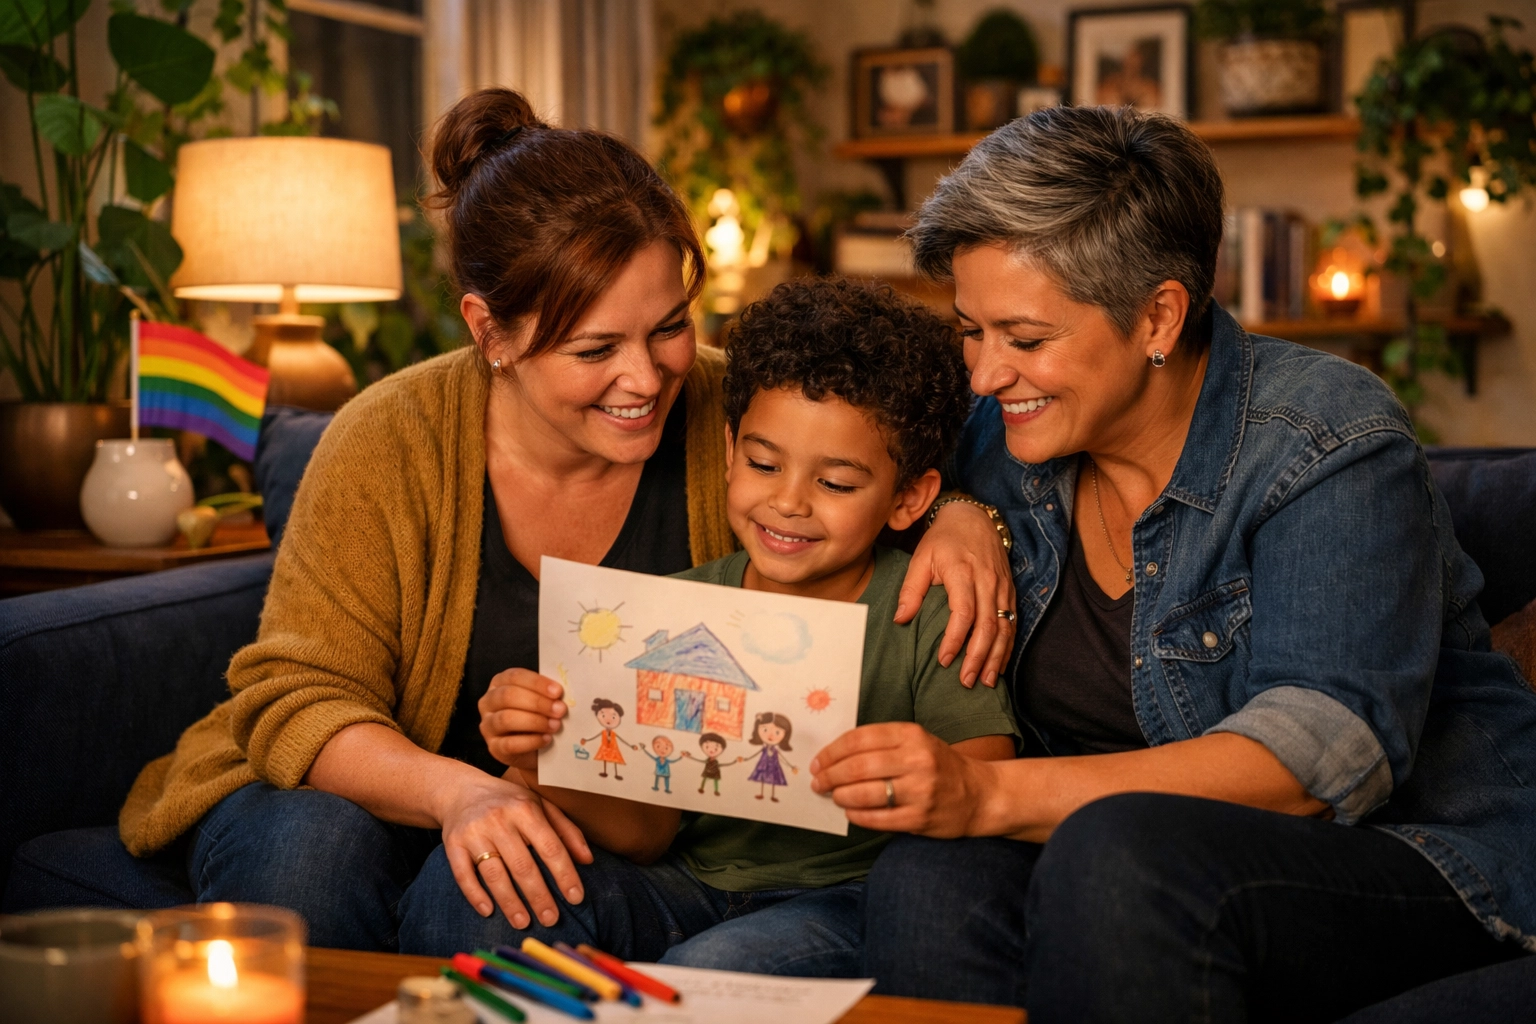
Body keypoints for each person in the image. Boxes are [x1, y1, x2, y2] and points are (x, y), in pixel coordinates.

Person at [113, 88, 1015, 953]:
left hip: (595, 828)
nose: (647, 376)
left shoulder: (727, 410)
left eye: (667, 325)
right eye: (594, 349)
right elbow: (293, 698)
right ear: (490, 331)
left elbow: (885, 437)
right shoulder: (388, 440)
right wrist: (462, 796)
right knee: (313, 849)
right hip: (365, 795)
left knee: (504, 892)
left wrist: (968, 513)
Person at [809, 106, 1536, 1021]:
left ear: (1159, 315)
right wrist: (953, 508)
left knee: (1119, 855)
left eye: (1025, 340)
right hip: (1103, 852)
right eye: (969, 330)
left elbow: (1326, 752)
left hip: (1418, 854)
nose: (986, 375)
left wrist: (989, 791)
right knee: (926, 872)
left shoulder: (1327, 439)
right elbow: (868, 482)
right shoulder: (1000, 435)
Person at [464, 276, 1019, 974]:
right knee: (473, 900)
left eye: (836, 484)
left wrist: (897, 771)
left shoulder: (923, 608)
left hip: (837, 897)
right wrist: (541, 754)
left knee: (710, 970)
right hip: (678, 883)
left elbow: (986, 775)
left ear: (909, 498)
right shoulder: (673, 612)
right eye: (762, 464)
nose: (787, 503)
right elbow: (646, 832)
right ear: (730, 451)